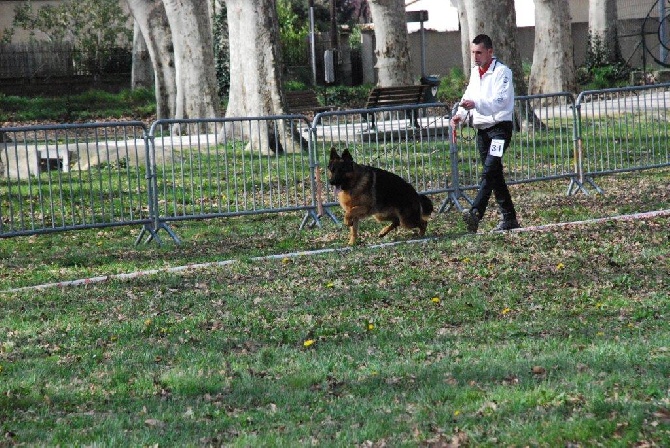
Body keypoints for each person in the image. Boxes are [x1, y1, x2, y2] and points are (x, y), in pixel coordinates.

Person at [450, 34, 520, 233]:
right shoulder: (475, 73)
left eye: (479, 52)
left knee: (489, 170)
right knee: (495, 175)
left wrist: (477, 104)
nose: (475, 56)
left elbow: (500, 101)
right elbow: (468, 97)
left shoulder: (503, 72)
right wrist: (460, 115)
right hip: (482, 130)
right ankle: (509, 218)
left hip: (499, 129)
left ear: (490, 52)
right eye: (473, 52)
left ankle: (475, 212)